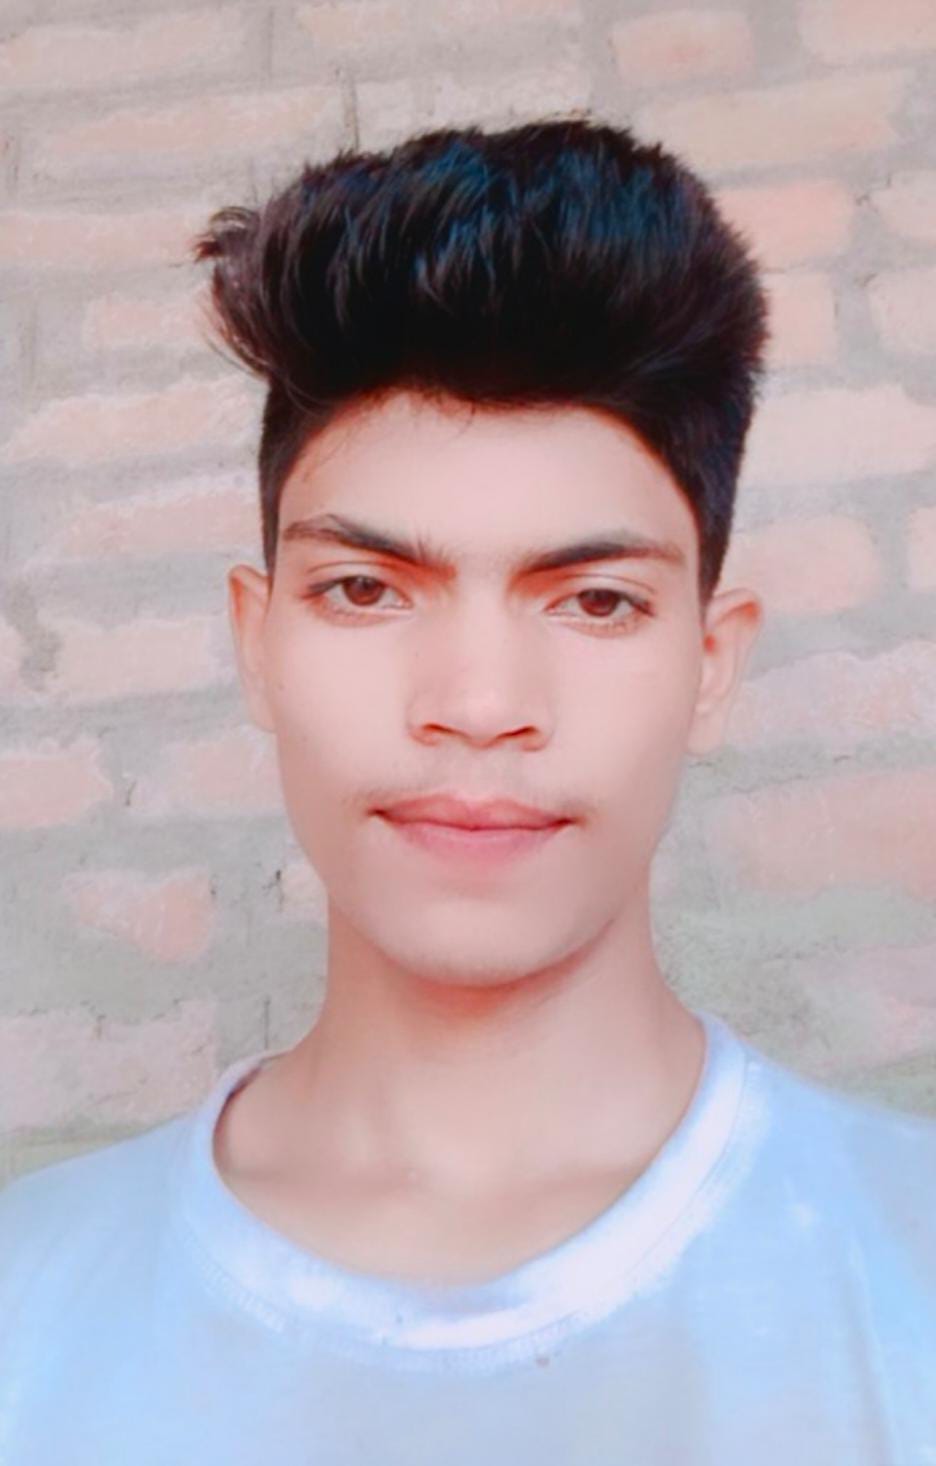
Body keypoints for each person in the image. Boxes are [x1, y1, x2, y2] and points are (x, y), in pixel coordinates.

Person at [0, 115, 933, 1465]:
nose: (481, 703)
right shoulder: (27, 1308)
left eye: (596, 599)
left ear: (711, 662)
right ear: (256, 642)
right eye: (365, 589)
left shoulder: (908, 1271)